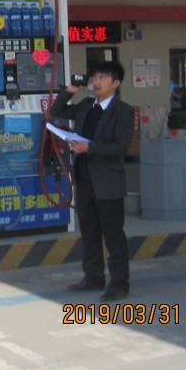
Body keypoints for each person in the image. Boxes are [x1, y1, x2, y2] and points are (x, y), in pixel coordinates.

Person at [49, 61, 135, 302]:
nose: (97, 82)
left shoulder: (123, 111)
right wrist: (70, 90)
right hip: (84, 178)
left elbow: (120, 148)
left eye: (103, 77)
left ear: (116, 83)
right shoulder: (86, 105)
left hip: (108, 182)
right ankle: (93, 276)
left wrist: (89, 148)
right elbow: (56, 111)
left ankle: (119, 283)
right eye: (95, 77)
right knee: (89, 232)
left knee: (113, 235)